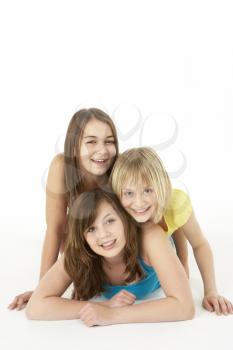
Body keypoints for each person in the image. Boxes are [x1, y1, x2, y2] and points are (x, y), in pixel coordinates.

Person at [25, 188, 194, 326]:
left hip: (166, 243)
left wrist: (111, 315)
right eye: (91, 229)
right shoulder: (80, 251)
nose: (103, 234)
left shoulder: (151, 237)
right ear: (83, 237)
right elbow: (35, 307)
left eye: (110, 221)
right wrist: (102, 305)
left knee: (172, 229)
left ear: (124, 218)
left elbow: (184, 307)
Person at [8, 108, 119, 310]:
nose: (102, 150)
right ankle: (83, 275)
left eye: (109, 141)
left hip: (115, 244)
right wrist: (44, 289)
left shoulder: (119, 169)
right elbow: (55, 228)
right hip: (87, 241)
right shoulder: (62, 166)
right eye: (91, 141)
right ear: (75, 145)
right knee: (70, 224)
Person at [110, 147, 233, 316]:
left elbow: (200, 244)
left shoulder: (176, 203)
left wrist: (210, 290)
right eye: (129, 193)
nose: (138, 202)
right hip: (137, 255)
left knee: (174, 226)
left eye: (147, 190)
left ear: (161, 187)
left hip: (164, 244)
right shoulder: (115, 212)